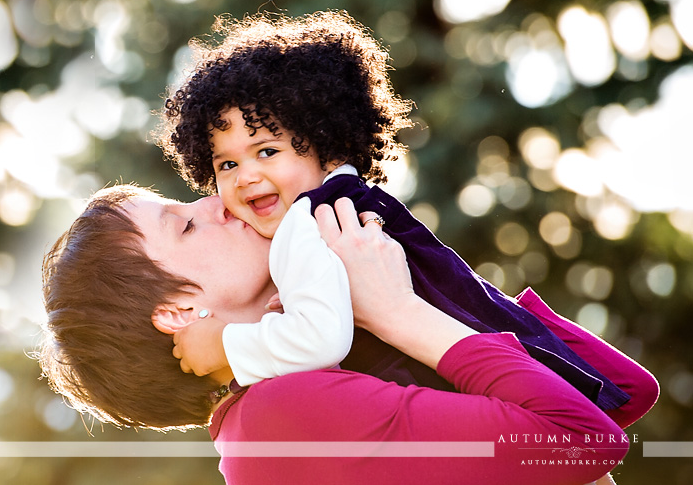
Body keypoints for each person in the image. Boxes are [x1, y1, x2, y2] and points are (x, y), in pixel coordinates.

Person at [156, 10, 658, 423]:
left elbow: (318, 339)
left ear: (326, 144)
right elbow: (635, 392)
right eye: (226, 163)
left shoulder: (306, 224)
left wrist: (227, 345)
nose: (244, 177)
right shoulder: (360, 199)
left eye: (266, 151)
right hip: (518, 362)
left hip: (472, 402)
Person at [39, 184, 628, 484]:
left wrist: (432, 284)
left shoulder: (298, 403)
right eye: (185, 224)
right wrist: (397, 310)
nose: (219, 201)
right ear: (175, 312)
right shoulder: (277, 422)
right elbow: (580, 436)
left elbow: (621, 391)